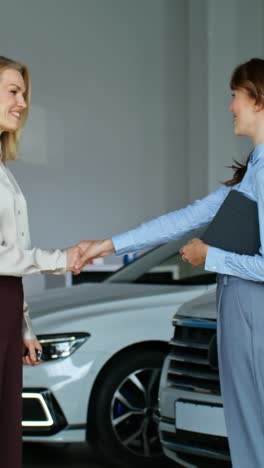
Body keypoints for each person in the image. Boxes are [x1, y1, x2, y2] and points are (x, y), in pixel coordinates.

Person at [74, 58, 264, 467]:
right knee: (247, 436)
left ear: (259, 100)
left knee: (255, 436)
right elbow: (186, 218)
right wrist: (105, 246)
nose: (231, 107)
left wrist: (209, 256)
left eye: (236, 97)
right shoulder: (255, 169)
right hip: (238, 312)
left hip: (255, 315)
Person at [0, 55, 81, 468]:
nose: (22, 103)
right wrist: (62, 259)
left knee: (8, 432)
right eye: (13, 91)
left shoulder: (4, 169)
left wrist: (25, 326)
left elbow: (14, 251)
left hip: (7, 307)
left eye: (25, 94)